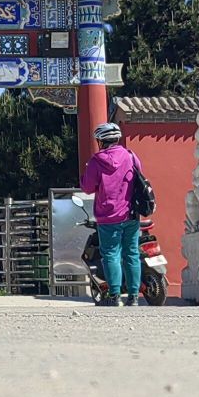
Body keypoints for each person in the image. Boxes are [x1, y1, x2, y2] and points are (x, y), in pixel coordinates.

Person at [80, 121, 143, 308]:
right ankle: (134, 296)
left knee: (111, 255)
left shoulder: (96, 161)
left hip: (108, 217)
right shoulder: (131, 156)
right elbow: (140, 175)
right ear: (117, 139)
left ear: (101, 141)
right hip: (131, 214)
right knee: (132, 254)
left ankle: (115, 295)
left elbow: (88, 187)